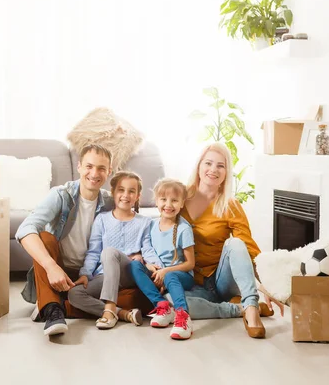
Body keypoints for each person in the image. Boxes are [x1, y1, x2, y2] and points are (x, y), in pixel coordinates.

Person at [181, 142, 284, 339]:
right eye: (208, 163)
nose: (213, 170)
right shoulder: (179, 197)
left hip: (221, 281)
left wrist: (269, 285)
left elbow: (249, 247)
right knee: (171, 302)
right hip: (192, 283)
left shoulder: (230, 204)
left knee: (236, 243)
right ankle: (237, 308)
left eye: (221, 165)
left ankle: (252, 308)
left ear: (227, 172)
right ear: (199, 166)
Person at [15, 144, 113, 337]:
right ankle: (53, 310)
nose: (94, 173)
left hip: (88, 275)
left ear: (109, 172)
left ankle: (55, 304)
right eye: (89, 166)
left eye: (101, 168)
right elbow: (25, 229)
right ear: (79, 167)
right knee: (44, 238)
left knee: (136, 297)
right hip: (58, 269)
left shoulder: (110, 202)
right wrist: (51, 266)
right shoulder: (61, 195)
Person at [68, 171, 157, 330]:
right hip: (105, 275)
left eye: (131, 191)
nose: (126, 195)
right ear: (113, 193)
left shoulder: (145, 222)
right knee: (74, 294)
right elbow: (93, 252)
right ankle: (123, 314)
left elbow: (148, 248)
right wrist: (85, 274)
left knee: (109, 252)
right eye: (121, 190)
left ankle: (109, 309)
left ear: (137, 196)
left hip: (129, 273)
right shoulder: (102, 219)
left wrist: (155, 265)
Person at [130, 178, 196, 340]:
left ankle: (183, 316)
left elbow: (190, 263)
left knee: (171, 276)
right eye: (163, 199)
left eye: (174, 200)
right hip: (157, 272)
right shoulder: (151, 225)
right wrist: (150, 265)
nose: (168, 204)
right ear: (156, 201)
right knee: (134, 265)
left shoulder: (183, 229)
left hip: (179, 276)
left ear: (182, 203)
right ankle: (162, 306)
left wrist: (166, 272)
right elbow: (146, 250)